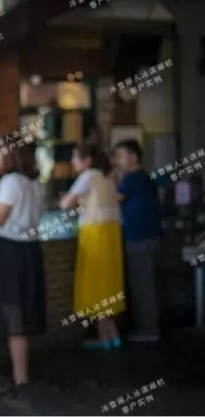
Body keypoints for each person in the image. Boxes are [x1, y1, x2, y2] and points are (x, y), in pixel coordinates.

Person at [0, 144, 46, 391]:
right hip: (31, 249)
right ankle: (20, 373)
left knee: (13, 312)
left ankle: (20, 376)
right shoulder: (34, 183)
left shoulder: (11, 181)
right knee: (22, 311)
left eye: (0, 153)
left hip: (10, 250)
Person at [60, 144, 125, 350]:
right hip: (111, 234)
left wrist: (75, 199)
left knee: (96, 282)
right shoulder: (107, 178)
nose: (73, 162)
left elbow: (65, 204)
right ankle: (110, 335)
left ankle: (105, 338)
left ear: (86, 161)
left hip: (94, 234)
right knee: (107, 282)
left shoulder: (87, 177)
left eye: (75, 158)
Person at [113, 139, 162, 341]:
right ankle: (148, 327)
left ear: (134, 156)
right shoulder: (143, 177)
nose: (118, 160)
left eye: (121, 155)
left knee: (142, 285)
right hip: (147, 237)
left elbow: (115, 197)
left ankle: (148, 330)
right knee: (146, 284)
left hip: (140, 238)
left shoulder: (133, 177)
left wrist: (111, 177)